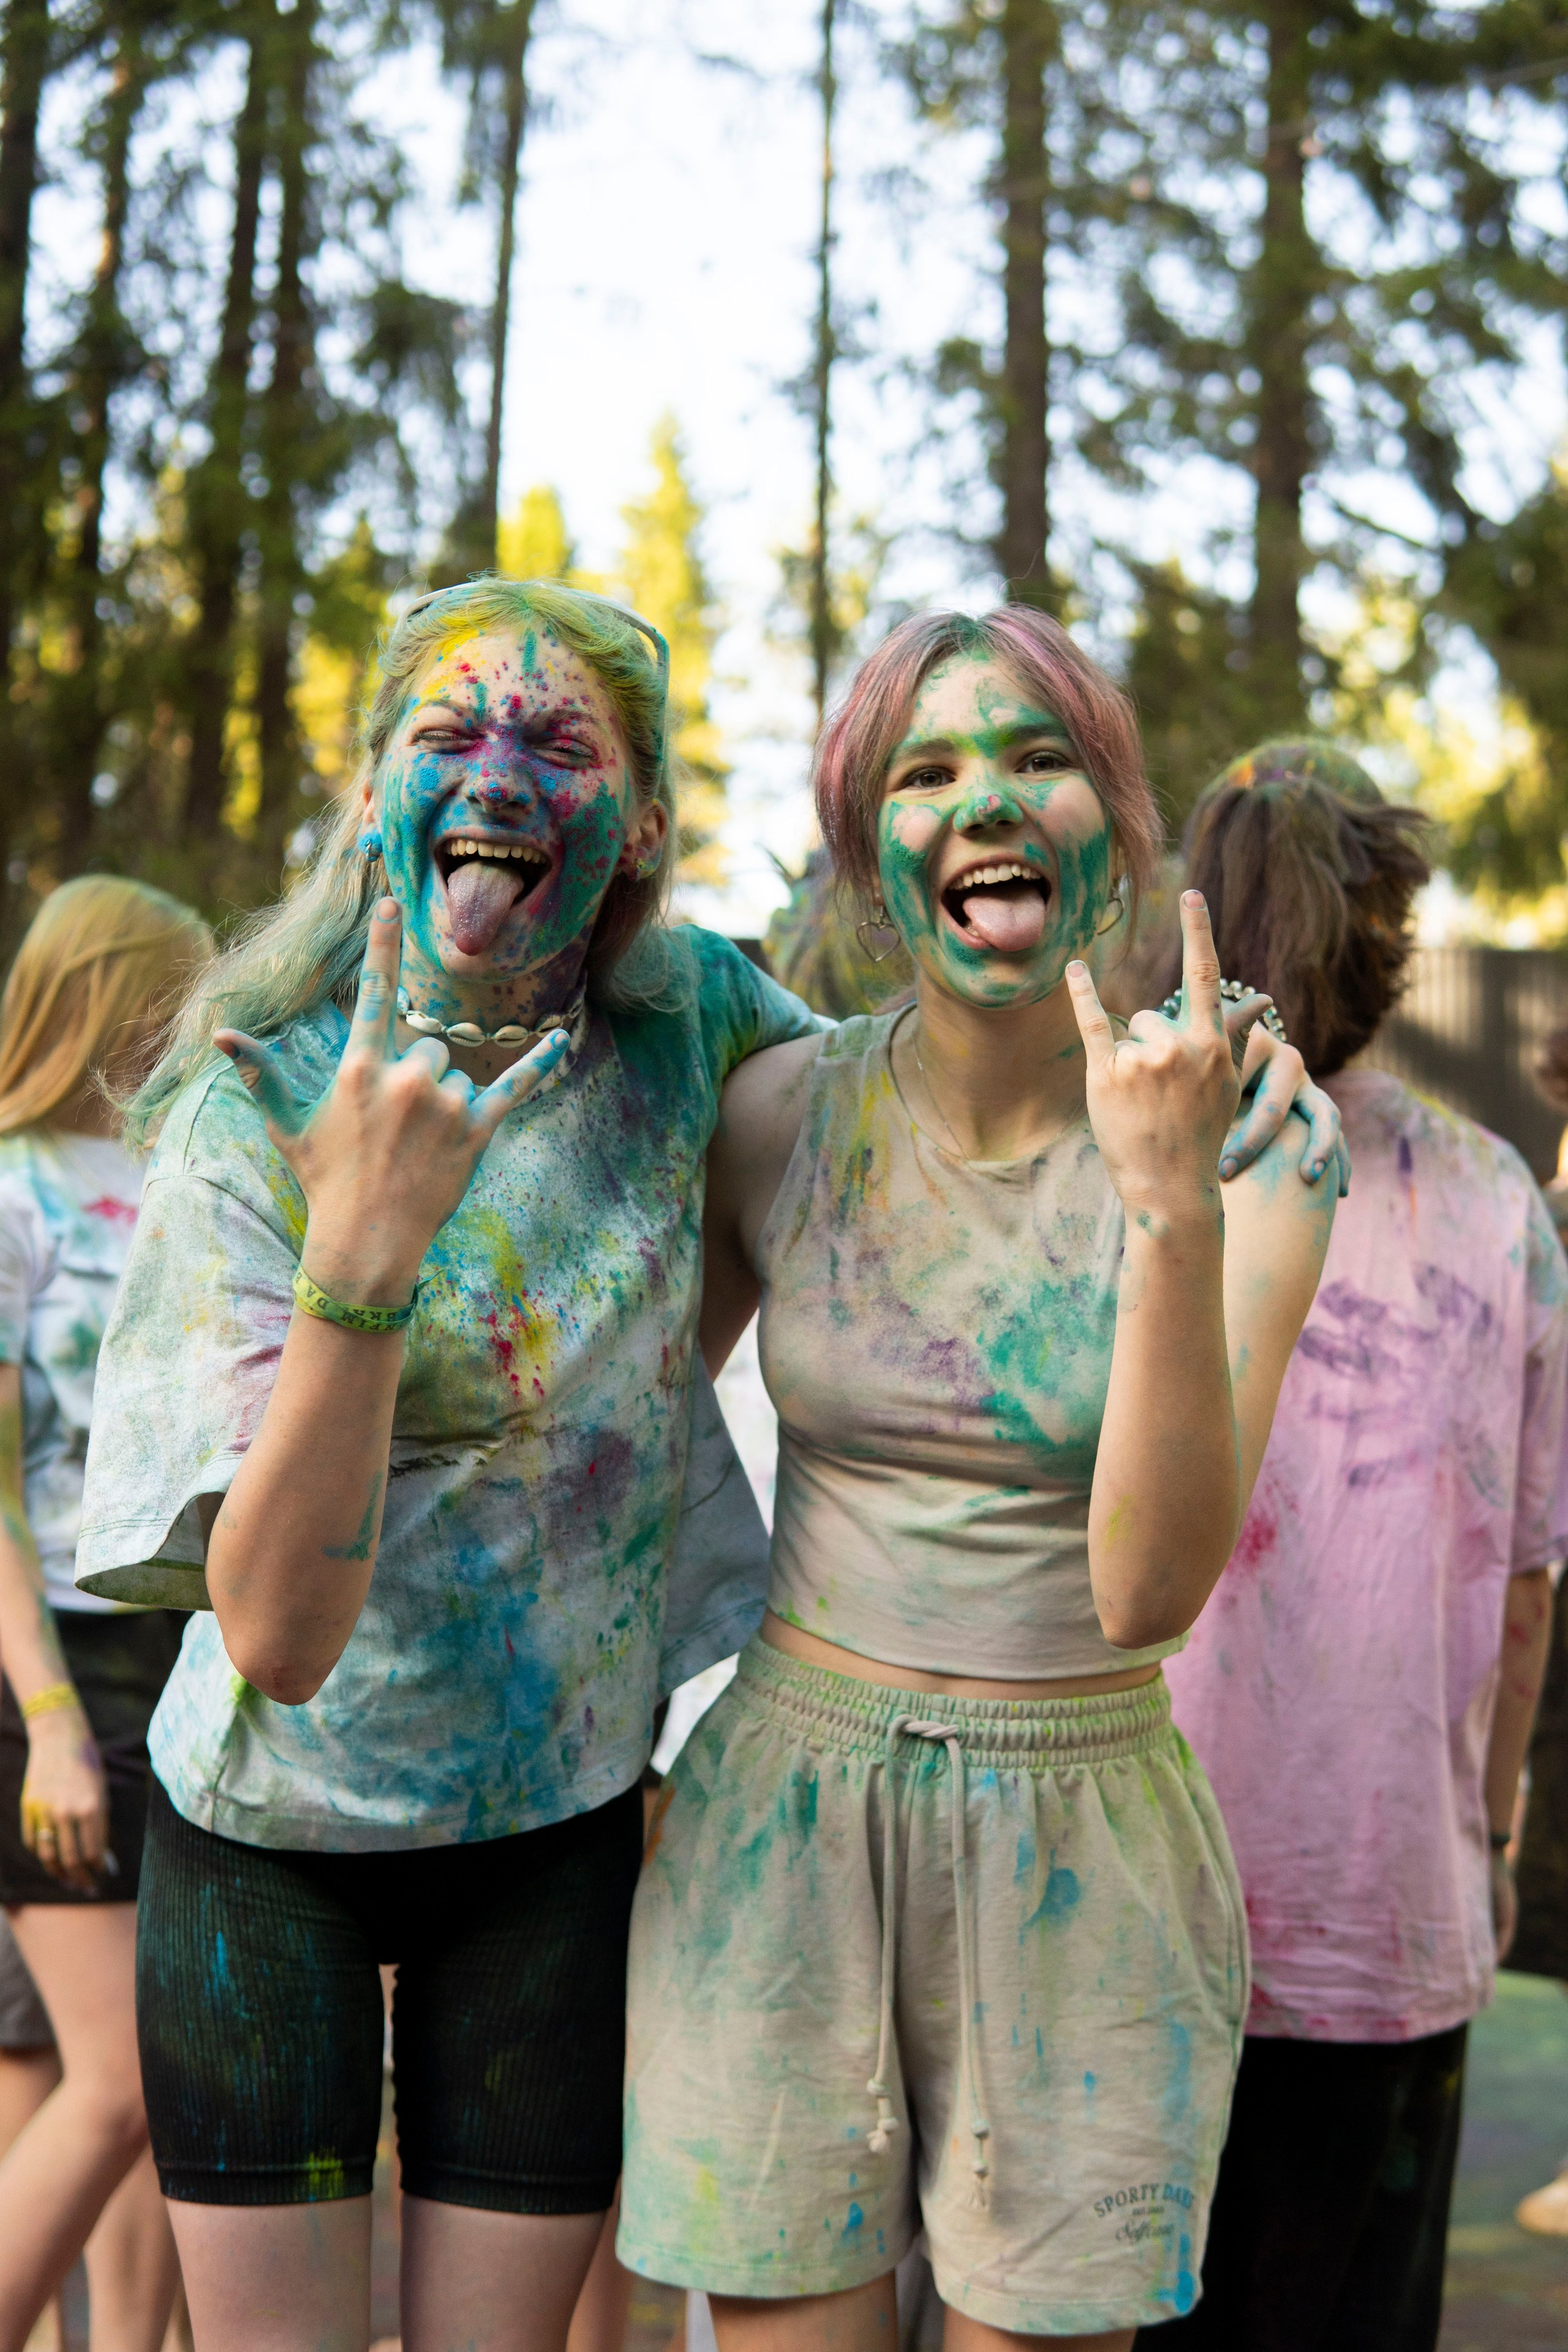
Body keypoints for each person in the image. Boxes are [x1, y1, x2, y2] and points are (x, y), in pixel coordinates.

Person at [72, 580, 828, 2352]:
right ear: (372, 800)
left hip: (550, 1818)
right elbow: (270, 1638)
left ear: (640, 825)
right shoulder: (251, 1100)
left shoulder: (693, 1022)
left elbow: (890, 1122)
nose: (497, 774)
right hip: (271, 1836)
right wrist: (368, 1253)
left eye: (560, 747)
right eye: (447, 738)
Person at [617, 608, 1342, 2348]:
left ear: (1121, 819)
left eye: (1042, 760)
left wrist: (1166, 1208)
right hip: (779, 1834)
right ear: (873, 847)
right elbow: (618, 1450)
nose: (987, 802)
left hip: (1083, 1838)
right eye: (928, 770)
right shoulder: (778, 1113)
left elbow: (1151, 1591)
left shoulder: (1259, 1137)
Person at [1142, 741, 1568, 2352]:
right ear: (1395, 935)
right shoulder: (1492, 1198)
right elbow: (1524, 1593)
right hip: (1396, 1906)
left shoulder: (1130, 1153)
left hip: (1135, 1905)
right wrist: (1498, 1836)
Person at [0, 875, 212, 2352]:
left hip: (183, 1655)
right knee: (119, 2080)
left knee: (110, 2074)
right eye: (176, 994)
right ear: (105, 993)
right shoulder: (9, 1189)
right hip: (56, 1674)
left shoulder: (178, 1164)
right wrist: (52, 1726)